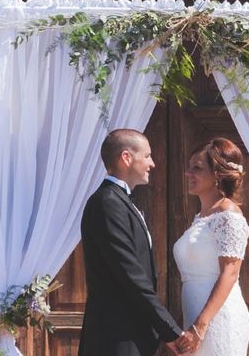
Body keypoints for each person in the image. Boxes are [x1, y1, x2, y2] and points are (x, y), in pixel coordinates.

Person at [78, 128, 197, 356]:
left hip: (131, 332)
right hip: (115, 337)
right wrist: (171, 331)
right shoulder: (107, 203)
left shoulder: (119, 201)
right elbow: (130, 274)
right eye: (147, 156)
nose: (152, 163)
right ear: (126, 158)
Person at [173, 137, 249, 355]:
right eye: (189, 167)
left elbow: (230, 273)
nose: (188, 173)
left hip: (218, 319)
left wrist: (201, 326)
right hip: (194, 315)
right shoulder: (201, 218)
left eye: (197, 168)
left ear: (218, 175)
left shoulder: (229, 214)